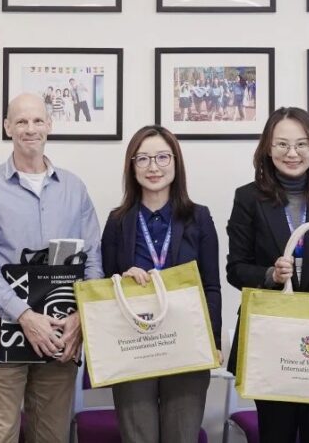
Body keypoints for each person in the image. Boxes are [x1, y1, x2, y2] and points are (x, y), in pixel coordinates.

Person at [0, 93, 102, 443]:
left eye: (38, 120)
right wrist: (25, 316)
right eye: (21, 121)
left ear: (49, 125)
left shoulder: (74, 188)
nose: (30, 128)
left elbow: (93, 258)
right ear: (7, 126)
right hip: (3, 322)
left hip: (61, 326)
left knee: (52, 434)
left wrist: (82, 316)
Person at [225, 107, 309, 443]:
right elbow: (236, 269)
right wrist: (270, 274)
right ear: (267, 148)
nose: (292, 153)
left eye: (302, 144)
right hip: (271, 334)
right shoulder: (248, 197)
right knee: (276, 432)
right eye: (282, 144)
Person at [100, 125, 222, 443]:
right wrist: (121, 280)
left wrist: (212, 342)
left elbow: (211, 286)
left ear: (175, 162)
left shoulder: (199, 217)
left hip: (187, 343)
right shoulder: (117, 221)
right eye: (143, 159)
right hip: (133, 344)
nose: (153, 167)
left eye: (162, 157)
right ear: (132, 166)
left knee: (182, 435)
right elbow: (103, 287)